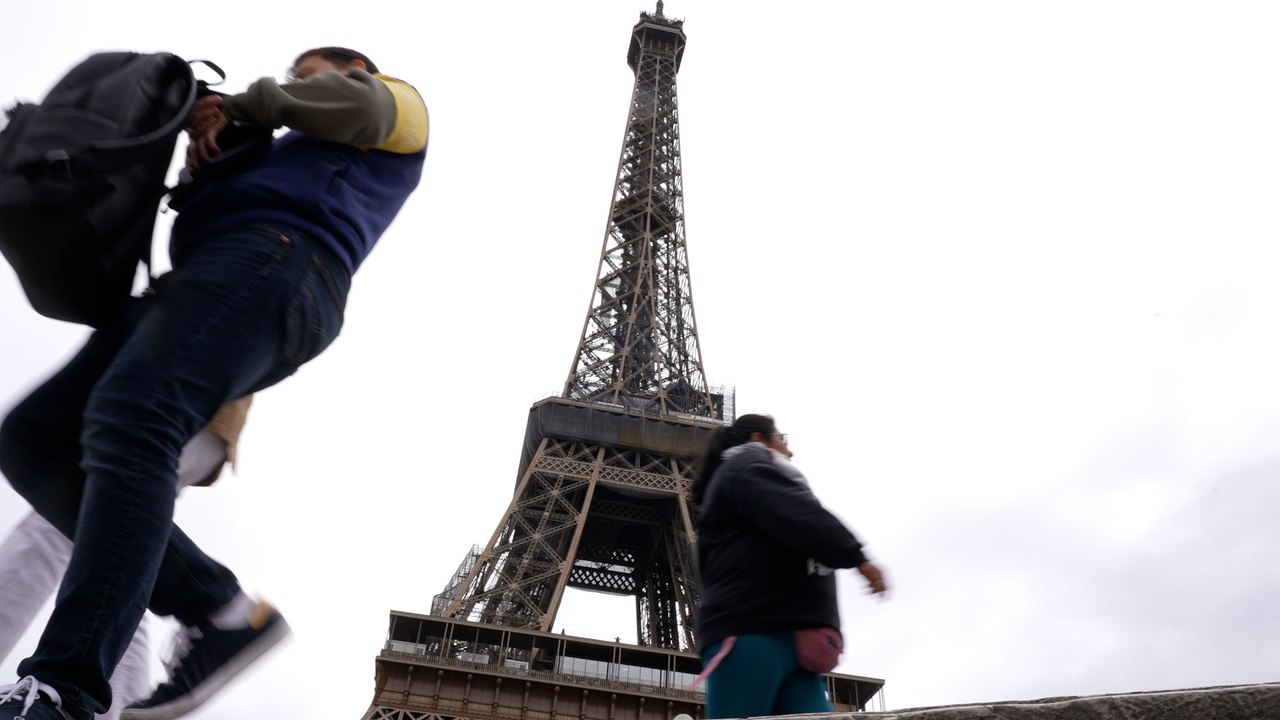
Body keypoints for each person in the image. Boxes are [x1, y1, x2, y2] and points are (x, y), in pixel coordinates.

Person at [0, 46, 428, 720]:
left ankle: (63, 686)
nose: (292, 85)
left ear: (358, 70)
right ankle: (218, 610)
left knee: (133, 419)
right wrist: (208, 157)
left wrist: (246, 104)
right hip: (204, 277)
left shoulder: (390, 103)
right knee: (34, 438)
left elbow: (352, 102)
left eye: (309, 73)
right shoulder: (282, 151)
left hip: (281, 256)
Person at [0, 399, 250, 720]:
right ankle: (117, 708)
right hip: (172, 408)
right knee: (120, 562)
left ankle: (97, 703)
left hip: (173, 403)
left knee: (69, 528)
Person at [691, 414, 888, 719]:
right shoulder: (744, 469)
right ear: (758, 439)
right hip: (752, 631)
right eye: (783, 439)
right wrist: (856, 557)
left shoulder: (745, 475)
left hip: (787, 639)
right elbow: (797, 516)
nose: (790, 451)